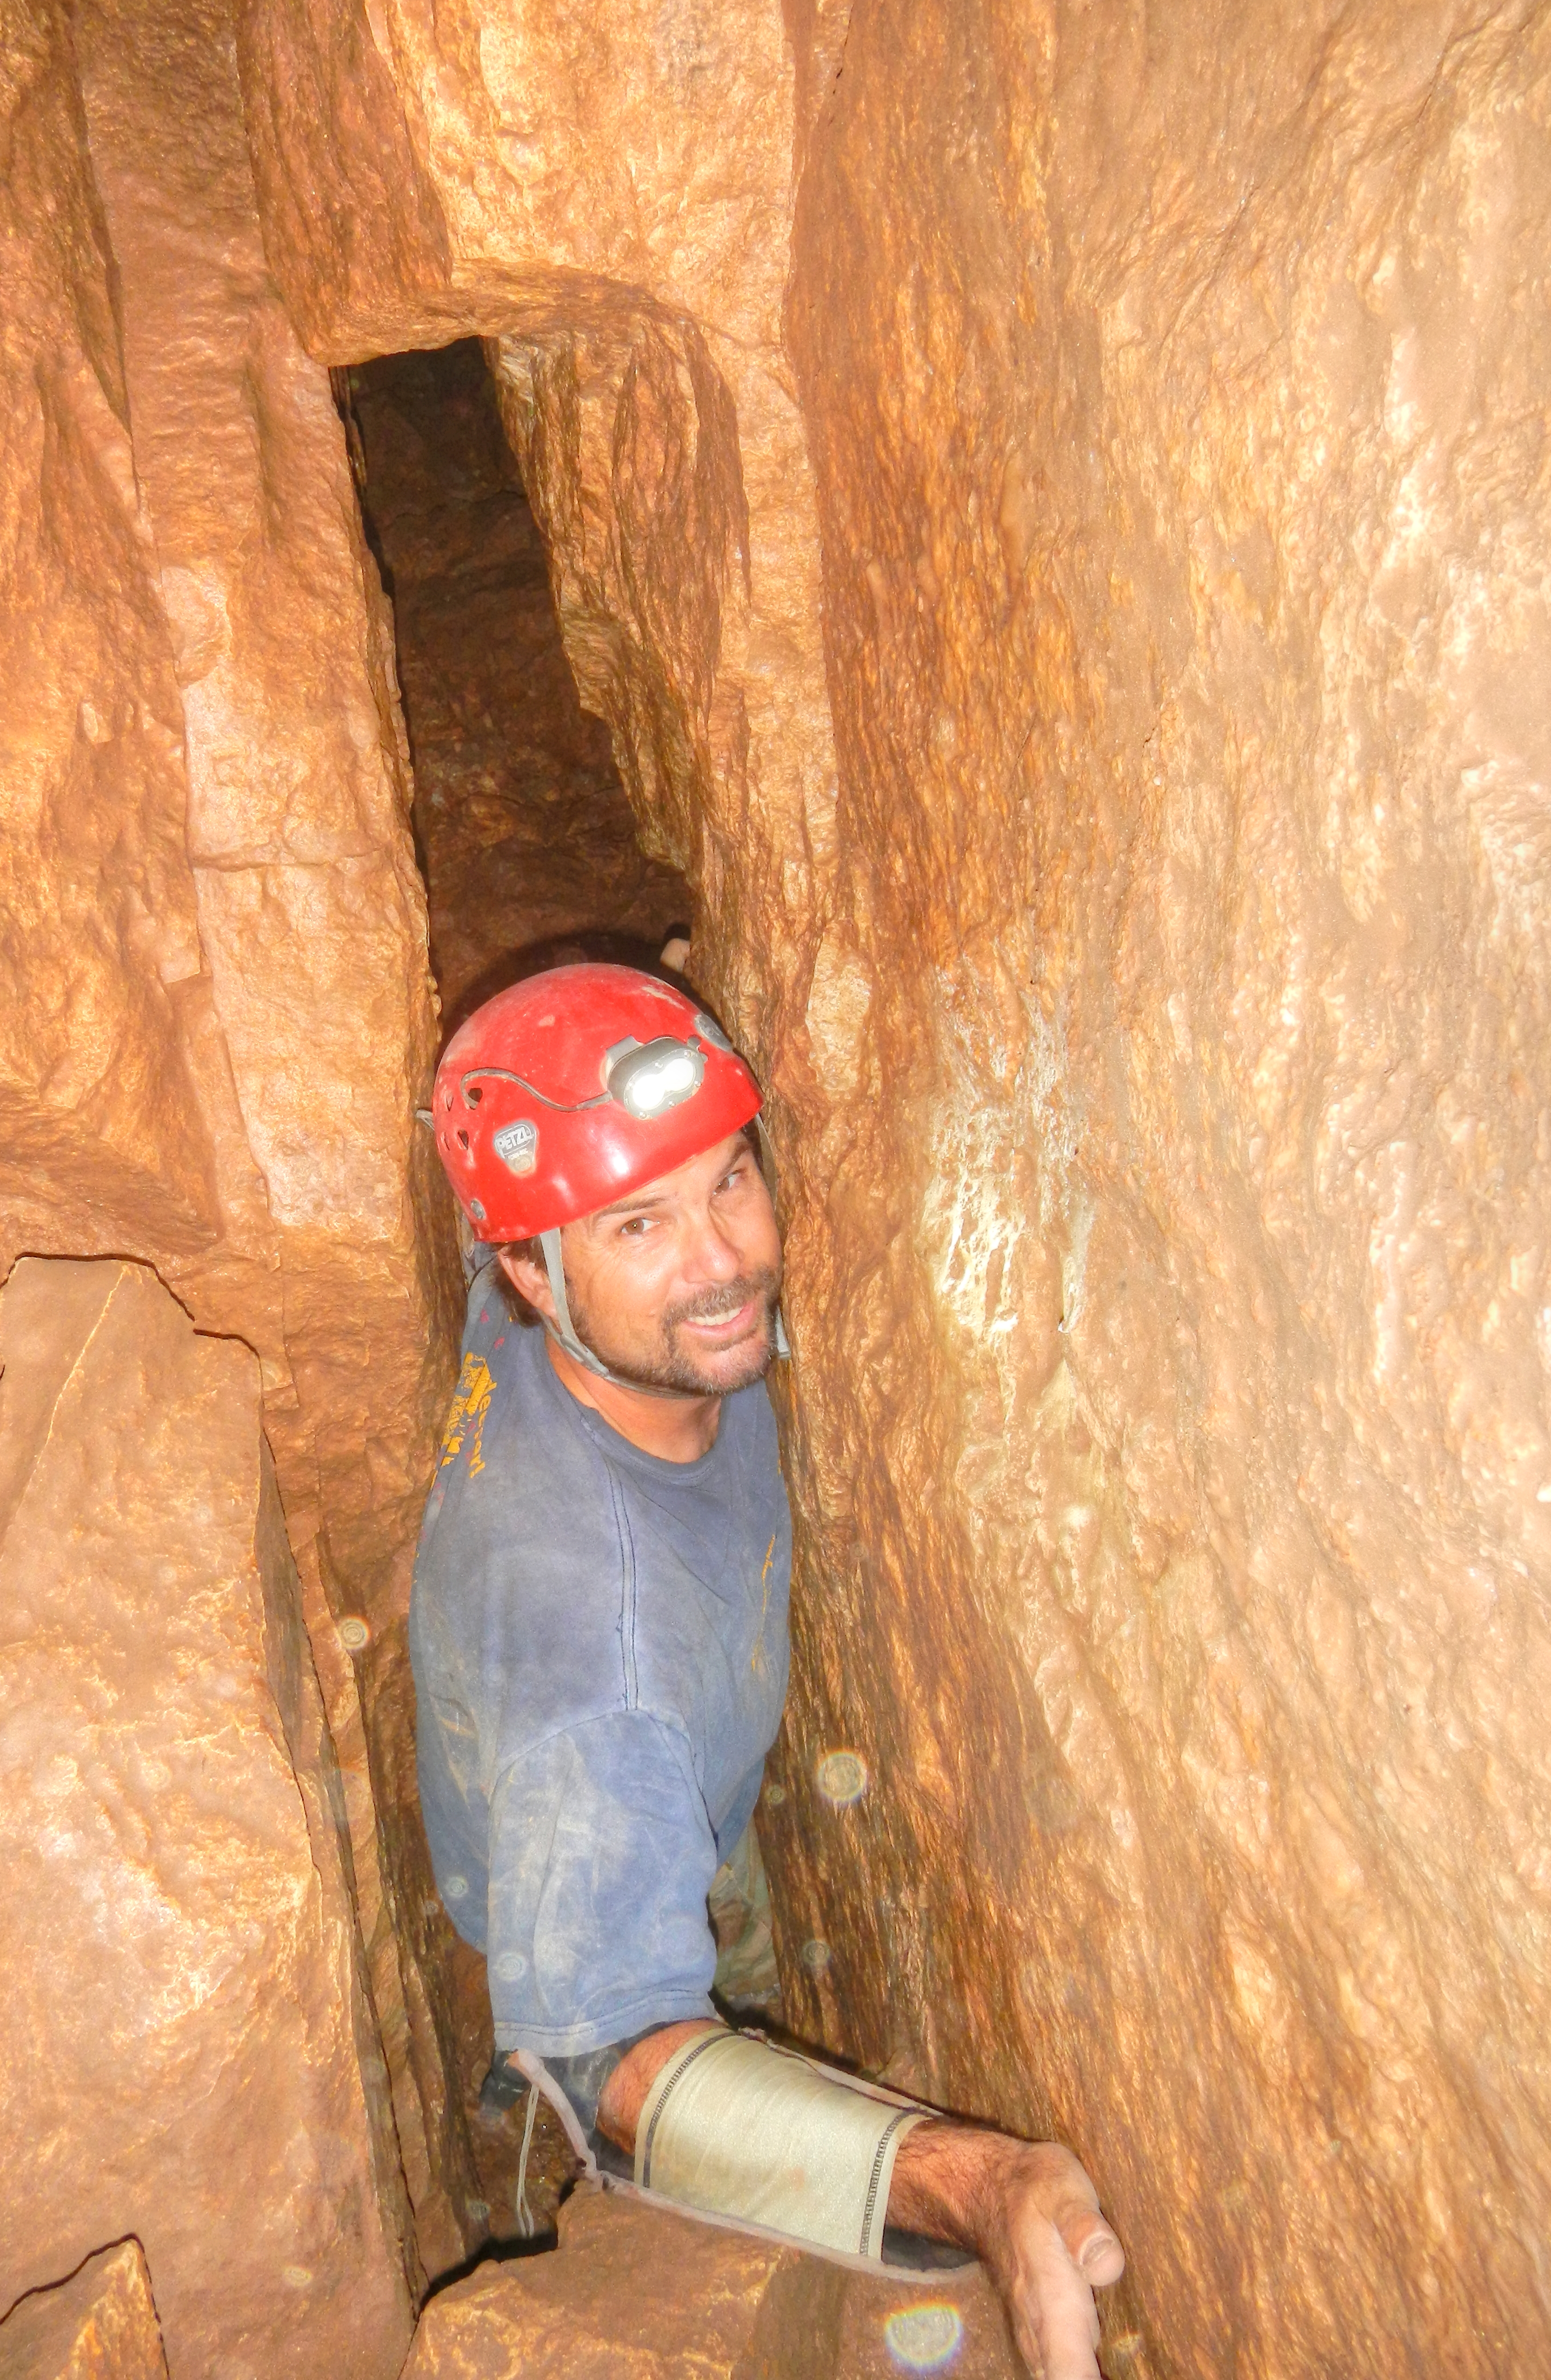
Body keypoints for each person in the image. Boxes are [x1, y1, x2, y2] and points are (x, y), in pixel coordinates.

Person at [410, 964, 1125, 2378]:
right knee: (614, 2016)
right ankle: (531, 2149)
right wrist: (979, 2188)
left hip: (670, 1763)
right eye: (641, 1223)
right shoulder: (595, 1670)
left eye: (729, 1180)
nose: (723, 1260)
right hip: (583, 1821)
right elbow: (610, 2062)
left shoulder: (555, 1311)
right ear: (530, 1273)